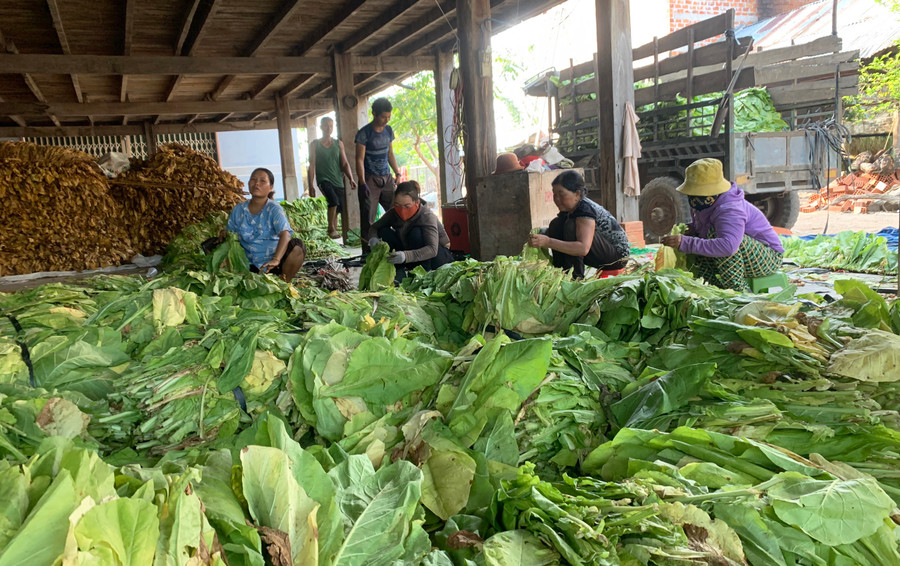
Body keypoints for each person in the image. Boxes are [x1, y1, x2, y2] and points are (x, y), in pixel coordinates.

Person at [660, 158, 784, 292]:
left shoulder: (730, 209)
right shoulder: (702, 204)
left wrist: (686, 242)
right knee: (698, 251)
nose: (693, 197)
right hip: (741, 256)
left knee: (718, 238)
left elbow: (729, 247)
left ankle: (740, 293)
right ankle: (716, 290)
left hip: (767, 257)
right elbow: (702, 229)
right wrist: (692, 230)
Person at [527, 170, 630, 279]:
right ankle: (561, 274)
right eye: (554, 194)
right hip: (599, 252)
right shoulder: (570, 209)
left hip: (616, 258)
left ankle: (575, 278)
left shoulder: (585, 209)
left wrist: (547, 241)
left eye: (561, 194)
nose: (556, 199)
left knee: (571, 226)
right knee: (556, 224)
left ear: (577, 194)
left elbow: (583, 249)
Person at [227, 167, 305, 282]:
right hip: (247, 265)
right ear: (248, 183)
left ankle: (284, 283)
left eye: (262, 181)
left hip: (273, 265)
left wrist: (276, 259)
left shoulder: (274, 209)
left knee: (298, 246)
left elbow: (285, 235)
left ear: (271, 187)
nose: (257, 183)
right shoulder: (239, 210)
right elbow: (230, 235)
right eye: (253, 179)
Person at [367, 180, 453, 275]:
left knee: (415, 233)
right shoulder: (393, 213)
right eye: (397, 205)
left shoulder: (427, 216)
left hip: (435, 257)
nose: (402, 210)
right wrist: (373, 238)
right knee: (384, 231)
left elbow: (432, 249)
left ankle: (422, 274)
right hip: (411, 252)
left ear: (417, 203)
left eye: (407, 206)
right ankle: (397, 272)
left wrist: (406, 256)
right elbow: (374, 227)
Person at [355, 97, 402, 253]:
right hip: (370, 179)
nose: (386, 120)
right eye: (383, 117)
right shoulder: (364, 133)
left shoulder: (388, 131)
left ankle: (399, 245)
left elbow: (390, 154)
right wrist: (362, 182)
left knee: (396, 211)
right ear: (374, 114)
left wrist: (397, 172)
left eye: (389, 117)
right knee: (369, 217)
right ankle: (367, 253)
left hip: (387, 177)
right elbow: (359, 159)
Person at [308, 116, 357, 239]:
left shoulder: (338, 143)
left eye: (331, 125)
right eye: (325, 125)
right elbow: (312, 165)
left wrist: (351, 178)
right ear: (321, 127)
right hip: (324, 179)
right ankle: (331, 227)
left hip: (338, 180)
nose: (328, 128)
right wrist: (311, 185)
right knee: (333, 200)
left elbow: (345, 163)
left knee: (337, 207)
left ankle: (332, 233)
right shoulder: (315, 145)